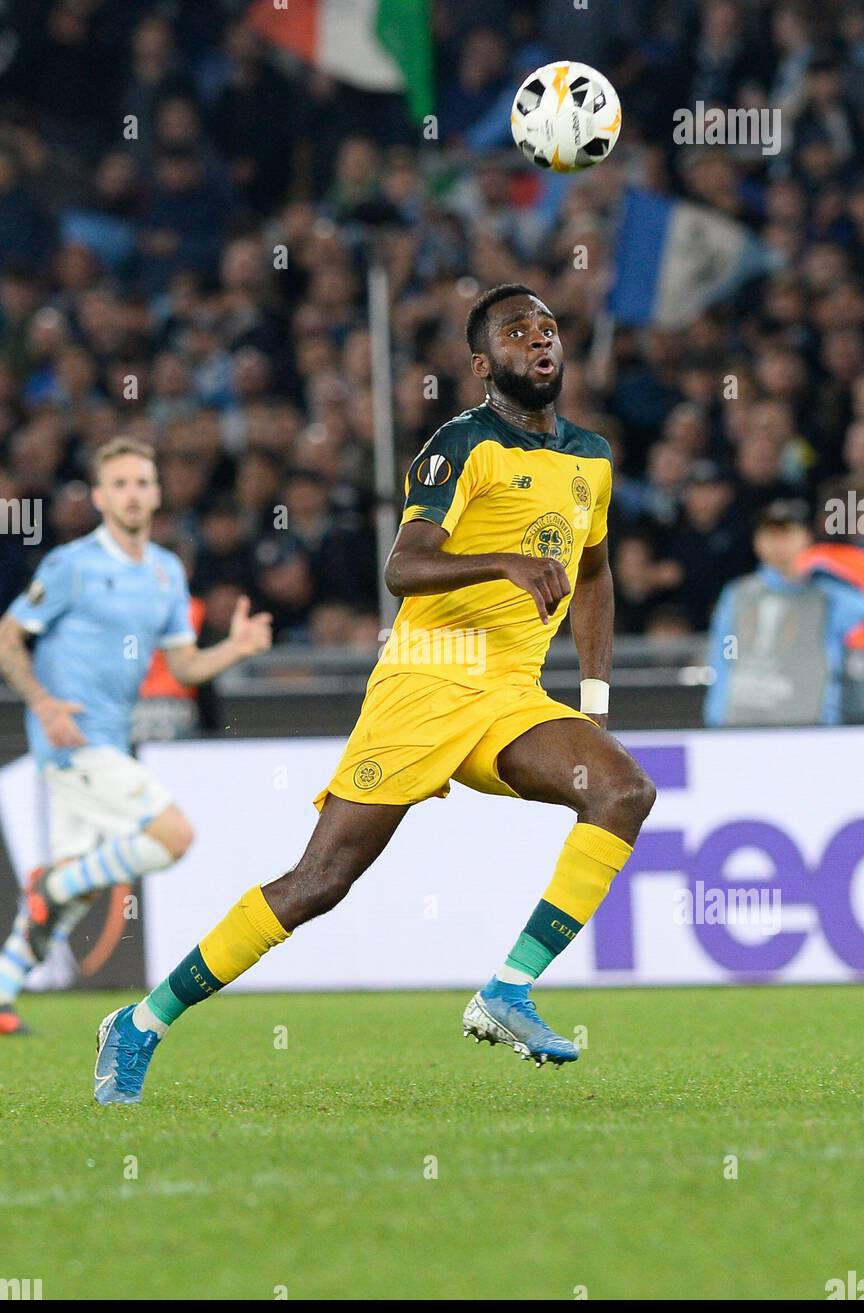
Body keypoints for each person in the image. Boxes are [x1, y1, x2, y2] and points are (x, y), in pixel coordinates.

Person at [94, 285, 656, 1105]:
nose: (539, 340)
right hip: (425, 679)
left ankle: (507, 990)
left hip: (510, 691)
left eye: (547, 329)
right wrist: (502, 563)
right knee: (318, 882)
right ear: (481, 364)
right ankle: (142, 1022)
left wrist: (595, 698)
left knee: (622, 790)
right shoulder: (458, 446)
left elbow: (595, 574)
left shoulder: (592, 457)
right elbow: (404, 566)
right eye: (515, 332)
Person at [0, 436, 272, 1035]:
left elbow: (182, 669)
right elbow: (8, 634)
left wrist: (234, 648)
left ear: (156, 494)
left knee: (67, 897)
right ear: (99, 496)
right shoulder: (72, 564)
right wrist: (44, 705)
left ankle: (2, 993)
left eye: (142, 483)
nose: (132, 494)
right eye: (119, 483)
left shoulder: (166, 571)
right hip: (71, 739)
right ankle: (55, 883)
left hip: (110, 740)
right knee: (173, 836)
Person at [704, 499, 864, 726]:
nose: (777, 543)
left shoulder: (828, 597)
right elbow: (726, 651)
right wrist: (718, 712)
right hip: (743, 720)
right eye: (768, 534)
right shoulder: (738, 593)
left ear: (807, 537)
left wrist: (829, 565)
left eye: (786, 533)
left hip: (811, 723)